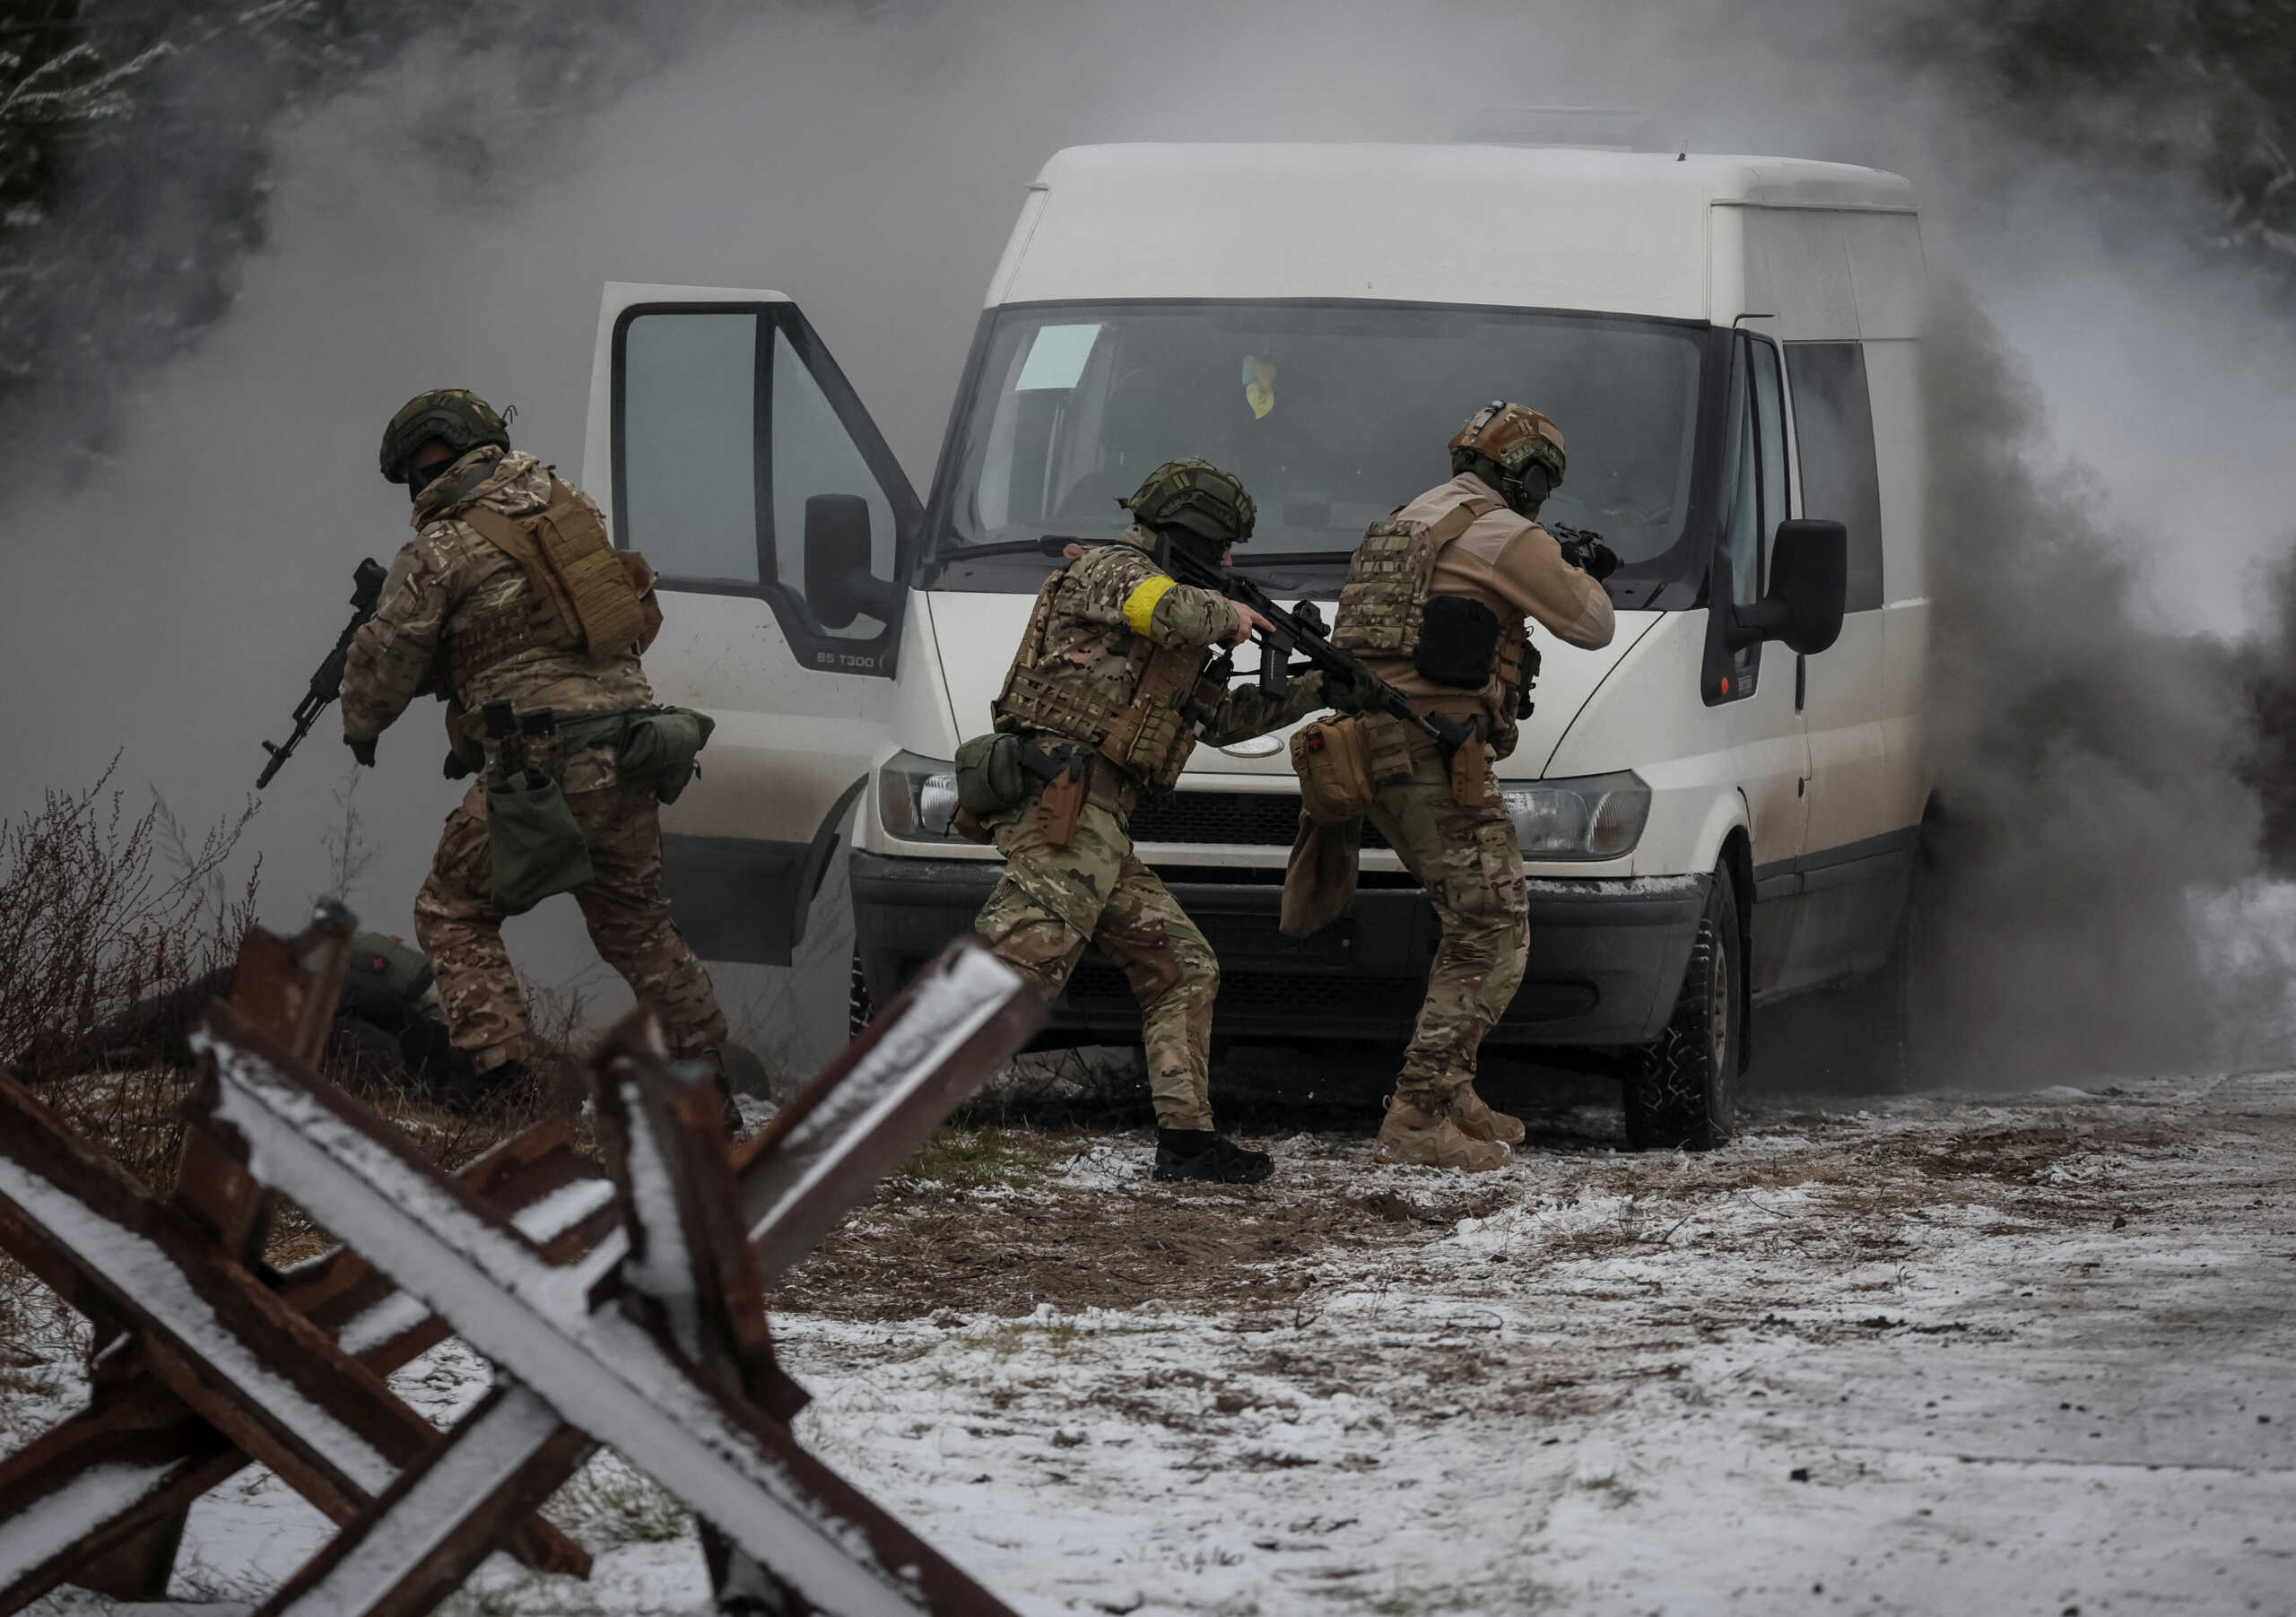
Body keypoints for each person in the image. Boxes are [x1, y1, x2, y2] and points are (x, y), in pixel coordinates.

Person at [339, 388, 731, 1107]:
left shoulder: (441, 547)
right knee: (640, 931)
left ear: (417, 475)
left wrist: (358, 727)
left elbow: (382, 673)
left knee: (452, 910)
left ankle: (504, 1079)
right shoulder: (569, 508)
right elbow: (625, 625)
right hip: (633, 745)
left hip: (542, 766)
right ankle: (707, 1081)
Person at [970, 459, 1335, 1184]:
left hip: (1096, 821)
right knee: (1017, 975)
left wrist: (1320, 686)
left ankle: (1188, 1142)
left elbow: (1222, 719)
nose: (1229, 562)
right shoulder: (1114, 572)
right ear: (1190, 534)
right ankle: (871, 1110)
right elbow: (1168, 609)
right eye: (1222, 546)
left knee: (1182, 966)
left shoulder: (1172, 611)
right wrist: (1234, 614)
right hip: (1060, 806)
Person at [1332, 402, 1618, 1171]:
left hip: (1379, 748)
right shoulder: (1500, 532)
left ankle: (1453, 1090)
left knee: (1473, 921)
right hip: (1435, 754)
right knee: (1493, 928)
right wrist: (1566, 566)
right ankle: (1418, 1113)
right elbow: (1594, 623)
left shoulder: (1408, 520)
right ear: (1526, 474)